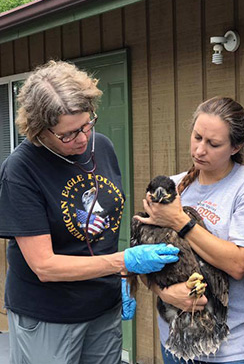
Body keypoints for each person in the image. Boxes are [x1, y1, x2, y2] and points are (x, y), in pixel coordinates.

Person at [0, 60, 180, 364]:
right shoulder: (21, 170)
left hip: (102, 306)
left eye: (87, 124)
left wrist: (122, 275)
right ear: (39, 131)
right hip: (49, 315)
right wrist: (123, 261)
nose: (83, 139)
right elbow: (45, 266)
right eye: (68, 134)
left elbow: (103, 230)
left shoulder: (102, 146)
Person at [135, 96, 244, 364]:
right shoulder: (171, 188)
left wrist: (179, 222)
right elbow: (144, 260)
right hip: (176, 339)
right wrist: (164, 293)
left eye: (213, 144)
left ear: (237, 146)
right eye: (197, 137)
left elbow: (237, 264)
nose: (199, 150)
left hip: (235, 348)